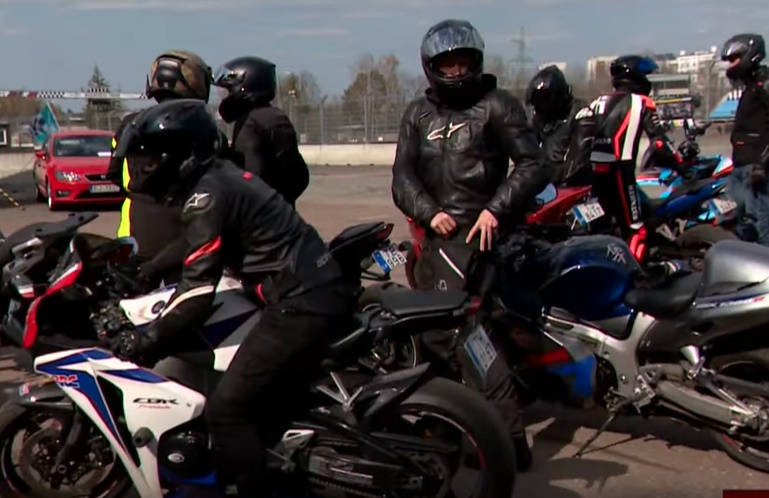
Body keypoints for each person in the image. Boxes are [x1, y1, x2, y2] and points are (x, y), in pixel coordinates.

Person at [108, 99, 354, 497]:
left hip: (300, 301)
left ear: (182, 156)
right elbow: (195, 240)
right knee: (259, 396)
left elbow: (197, 294)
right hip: (309, 286)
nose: (144, 168)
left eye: (151, 160)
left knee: (226, 410)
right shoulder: (216, 178)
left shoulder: (207, 196)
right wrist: (147, 271)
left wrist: (148, 339)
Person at [391, 18, 551, 471]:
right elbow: (402, 177)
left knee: (468, 337)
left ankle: (510, 443)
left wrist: (494, 209)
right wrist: (428, 212)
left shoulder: (496, 105)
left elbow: (533, 164)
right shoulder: (418, 114)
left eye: (464, 62)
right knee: (434, 337)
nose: (457, 71)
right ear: (432, 66)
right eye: (448, 63)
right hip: (433, 243)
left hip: (476, 238)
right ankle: (446, 430)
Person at [107, 50, 216, 288]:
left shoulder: (130, 124)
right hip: (184, 238)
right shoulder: (201, 128)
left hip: (134, 231)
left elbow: (113, 172)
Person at [587, 55, 685, 243]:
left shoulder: (597, 102)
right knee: (636, 230)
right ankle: (634, 263)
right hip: (621, 172)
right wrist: (682, 168)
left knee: (600, 230)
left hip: (595, 174)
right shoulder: (641, 102)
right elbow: (659, 144)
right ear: (636, 76)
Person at [213, 56, 309, 207]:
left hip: (262, 215)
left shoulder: (258, 121)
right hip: (270, 211)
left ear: (244, 86)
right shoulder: (257, 118)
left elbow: (254, 177)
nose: (224, 96)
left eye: (229, 90)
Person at [721, 33, 769, 245]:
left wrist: (762, 164)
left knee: (760, 224)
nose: (730, 65)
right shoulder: (750, 87)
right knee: (733, 222)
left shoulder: (764, 84)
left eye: (734, 59)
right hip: (740, 167)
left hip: (758, 170)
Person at [526, 65, 594, 186]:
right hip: (546, 185)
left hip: (572, 187)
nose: (538, 109)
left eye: (541, 103)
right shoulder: (541, 117)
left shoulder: (581, 114)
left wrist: (543, 176)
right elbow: (527, 153)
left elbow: (577, 165)